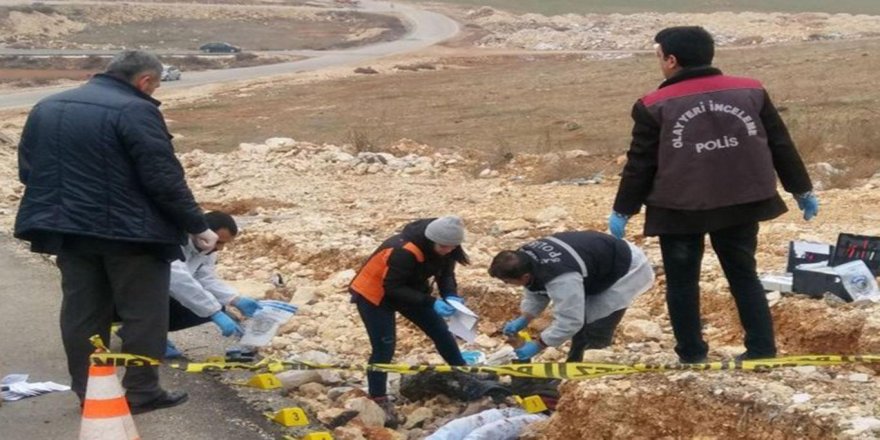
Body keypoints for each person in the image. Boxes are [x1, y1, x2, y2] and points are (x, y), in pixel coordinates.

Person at [14, 50, 217, 414]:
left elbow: (29, 169)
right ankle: (141, 392)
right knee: (143, 314)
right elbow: (162, 177)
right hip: (132, 236)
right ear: (145, 81)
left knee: (83, 314)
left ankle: (90, 393)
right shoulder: (136, 110)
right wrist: (196, 224)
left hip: (68, 231)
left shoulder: (47, 106)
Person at [609, 26, 817, 363]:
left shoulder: (653, 105)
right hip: (742, 202)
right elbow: (780, 143)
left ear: (672, 60)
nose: (659, 62)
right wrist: (801, 188)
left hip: (679, 209)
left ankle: (692, 355)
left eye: (659, 56)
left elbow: (640, 165)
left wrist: (623, 209)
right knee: (743, 274)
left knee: (682, 282)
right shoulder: (751, 90)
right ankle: (762, 351)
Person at [349, 216, 470, 427]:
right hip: (375, 295)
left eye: (453, 247)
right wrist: (430, 302)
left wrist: (450, 295)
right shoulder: (404, 250)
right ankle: (378, 397)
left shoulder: (447, 248)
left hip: (409, 289)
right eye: (444, 247)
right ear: (432, 240)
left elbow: (446, 275)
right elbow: (392, 287)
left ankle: (463, 373)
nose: (448, 250)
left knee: (440, 331)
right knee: (384, 346)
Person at [489, 231, 654, 362]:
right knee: (581, 320)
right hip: (595, 260)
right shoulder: (525, 258)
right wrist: (526, 317)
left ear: (524, 276)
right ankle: (575, 363)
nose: (506, 284)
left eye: (507, 281)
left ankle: (591, 367)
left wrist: (539, 345)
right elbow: (536, 287)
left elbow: (571, 321)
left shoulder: (562, 278)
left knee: (595, 324)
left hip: (624, 268)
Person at [164, 211, 262, 358]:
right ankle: (145, 334)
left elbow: (205, 278)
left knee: (216, 306)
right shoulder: (173, 242)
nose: (220, 248)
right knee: (208, 308)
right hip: (133, 299)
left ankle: (148, 332)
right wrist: (213, 312)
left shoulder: (207, 249)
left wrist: (234, 299)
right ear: (202, 232)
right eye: (219, 242)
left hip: (163, 295)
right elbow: (177, 280)